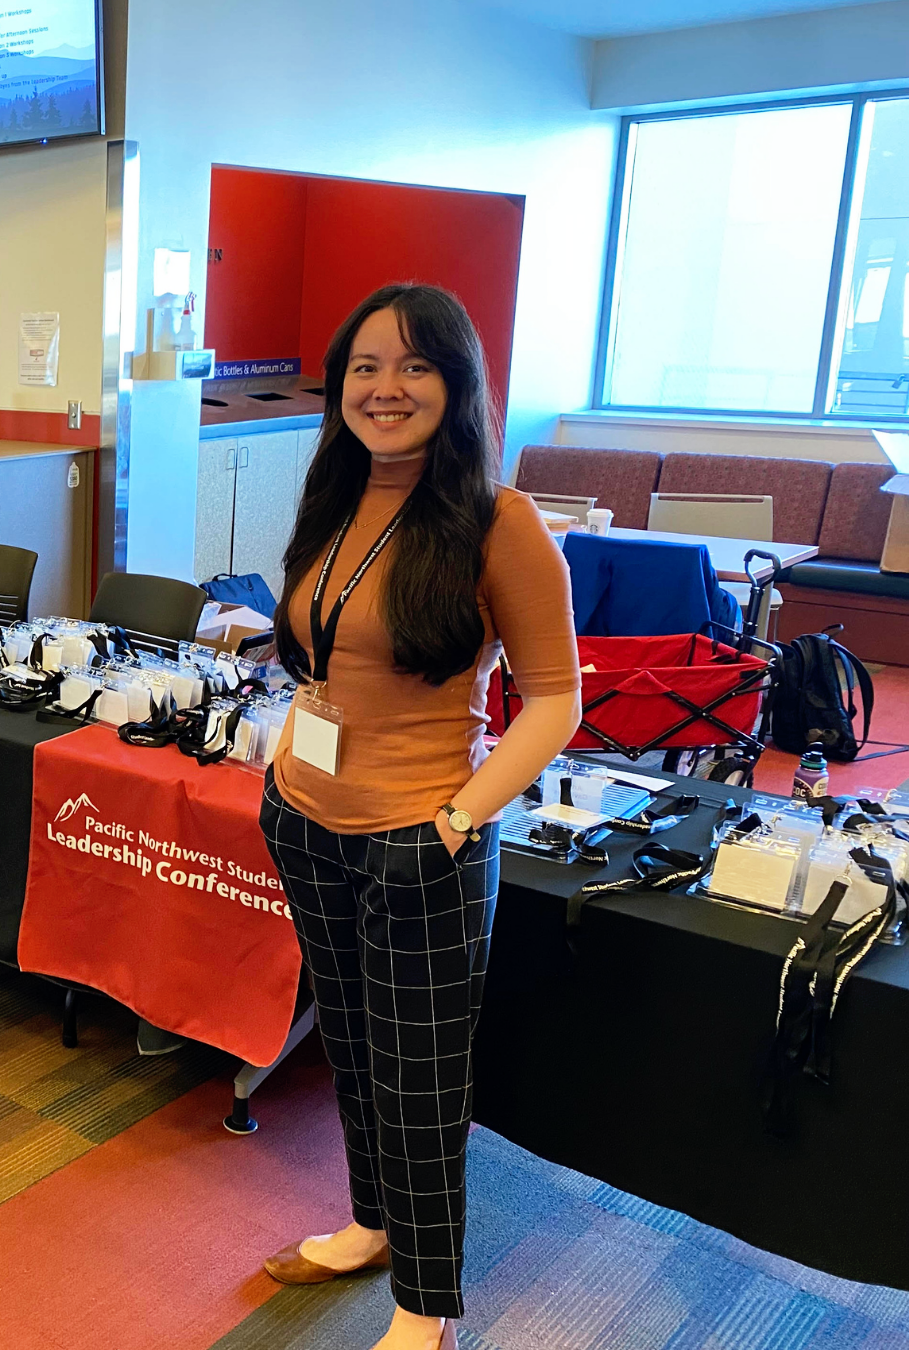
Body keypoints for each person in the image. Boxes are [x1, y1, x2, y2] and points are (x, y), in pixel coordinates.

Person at [258, 283, 582, 1350]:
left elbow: (555, 700)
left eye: (413, 366)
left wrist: (455, 820)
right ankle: (368, 1223)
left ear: (458, 384)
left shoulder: (500, 521)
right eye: (363, 365)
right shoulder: (335, 496)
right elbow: (332, 648)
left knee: (422, 1074)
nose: (384, 388)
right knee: (349, 1044)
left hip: (422, 838)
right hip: (305, 814)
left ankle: (427, 1304)